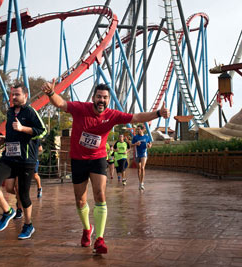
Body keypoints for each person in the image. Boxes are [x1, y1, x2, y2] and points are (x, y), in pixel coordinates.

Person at [41, 81, 169, 254]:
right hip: (78, 159)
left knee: (100, 195)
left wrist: (158, 113)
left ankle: (99, 239)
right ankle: (87, 229)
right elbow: (61, 103)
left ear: (109, 100)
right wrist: (51, 93)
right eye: (99, 97)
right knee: (80, 200)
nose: (102, 100)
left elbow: (136, 117)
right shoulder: (80, 108)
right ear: (93, 97)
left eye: (105, 97)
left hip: (98, 158)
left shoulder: (113, 115)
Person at [0, 83, 46, 240]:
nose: (13, 97)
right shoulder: (10, 112)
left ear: (25, 96)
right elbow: (13, 132)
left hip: (26, 160)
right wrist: (5, 140)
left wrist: (23, 128)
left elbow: (43, 130)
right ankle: (8, 211)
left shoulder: (30, 112)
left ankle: (28, 225)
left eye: (17, 95)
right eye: (12, 94)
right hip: (10, 156)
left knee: (24, 195)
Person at [131, 124, 152, 190]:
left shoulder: (146, 137)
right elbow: (131, 145)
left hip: (144, 154)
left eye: (139, 129)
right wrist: (135, 144)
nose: (138, 131)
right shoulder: (135, 137)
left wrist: (149, 146)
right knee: (139, 169)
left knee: (142, 168)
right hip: (137, 154)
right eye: (137, 130)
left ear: (142, 130)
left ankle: (142, 183)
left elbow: (150, 144)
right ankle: (140, 182)